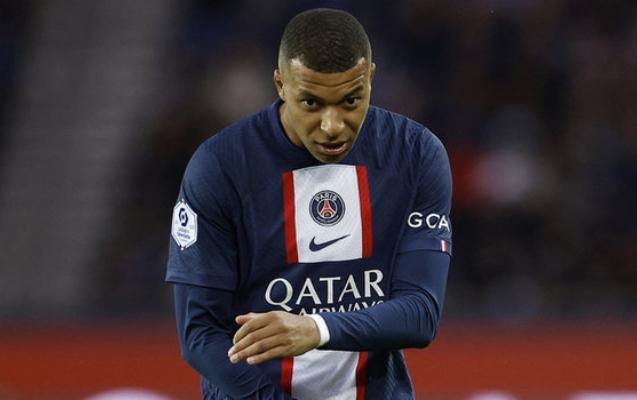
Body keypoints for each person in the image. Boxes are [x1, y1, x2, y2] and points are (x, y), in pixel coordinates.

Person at [166, 8, 452, 400]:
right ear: (280, 85)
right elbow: (200, 335)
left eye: (350, 101)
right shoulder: (221, 167)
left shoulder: (414, 155)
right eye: (311, 103)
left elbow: (420, 314)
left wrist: (316, 328)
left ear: (371, 78)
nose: (332, 125)